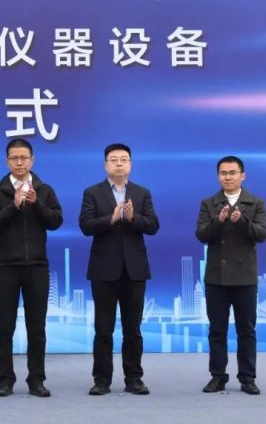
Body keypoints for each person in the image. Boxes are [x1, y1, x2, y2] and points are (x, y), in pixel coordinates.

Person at [0, 138, 63, 398]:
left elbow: (55, 221)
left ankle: (36, 380)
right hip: (6, 267)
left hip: (36, 267)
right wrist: (14, 206)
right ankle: (5, 380)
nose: (19, 162)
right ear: (7, 162)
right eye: (14, 158)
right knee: (4, 327)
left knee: (37, 328)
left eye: (24, 158)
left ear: (32, 160)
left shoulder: (45, 190)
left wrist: (36, 203)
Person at [79, 143, 159, 396]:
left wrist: (133, 219)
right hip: (103, 270)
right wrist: (111, 219)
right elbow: (85, 225)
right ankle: (101, 380)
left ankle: (134, 378)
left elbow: (153, 225)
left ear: (131, 165)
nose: (119, 164)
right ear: (105, 165)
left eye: (124, 159)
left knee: (133, 330)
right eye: (113, 160)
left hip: (134, 271)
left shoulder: (142, 193)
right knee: (103, 330)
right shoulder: (93, 192)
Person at [196, 156, 266, 395]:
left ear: (242, 176)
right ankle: (218, 376)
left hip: (245, 277)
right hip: (216, 277)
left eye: (232, 173)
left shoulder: (255, 202)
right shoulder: (209, 203)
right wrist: (219, 220)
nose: (228, 177)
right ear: (218, 176)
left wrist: (242, 222)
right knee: (217, 330)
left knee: (246, 330)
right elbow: (201, 234)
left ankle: (248, 377)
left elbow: (262, 233)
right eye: (223, 173)